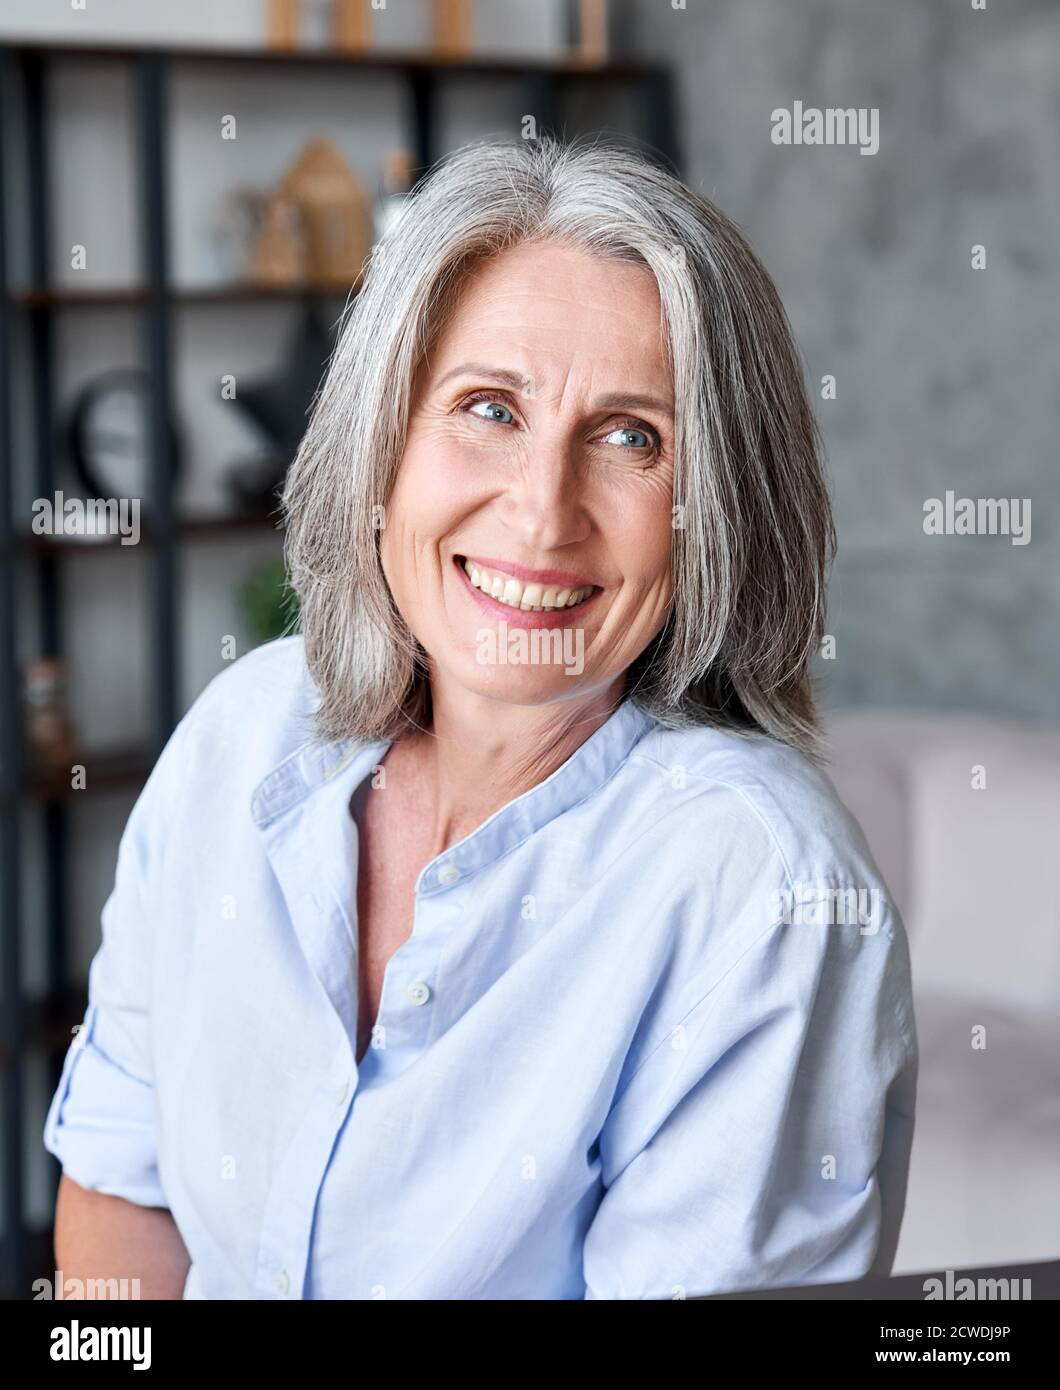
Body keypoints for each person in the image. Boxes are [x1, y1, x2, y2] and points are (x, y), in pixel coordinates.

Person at [45, 135, 916, 1300]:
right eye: (488, 407)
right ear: (384, 446)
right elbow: (120, 1185)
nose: (542, 513)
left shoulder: (762, 891)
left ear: (715, 510)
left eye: (631, 437)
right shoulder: (243, 728)